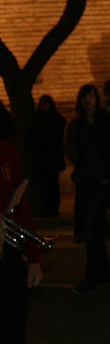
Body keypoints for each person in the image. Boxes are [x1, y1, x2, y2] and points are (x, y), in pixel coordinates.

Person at [65, 84, 110, 293]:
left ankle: (92, 275)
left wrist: (108, 175)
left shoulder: (105, 122)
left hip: (99, 181)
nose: (88, 100)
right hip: (85, 181)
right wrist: (77, 174)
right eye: (84, 96)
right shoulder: (79, 124)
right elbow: (76, 150)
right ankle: (103, 273)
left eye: (91, 96)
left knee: (90, 228)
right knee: (93, 228)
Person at [0, 139, 44, 344]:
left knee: (13, 323)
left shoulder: (7, 151)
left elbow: (22, 207)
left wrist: (34, 258)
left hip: (8, 250)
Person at [33, 94, 67, 217]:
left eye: (46, 103)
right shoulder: (37, 120)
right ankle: (46, 207)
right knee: (43, 185)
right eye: (42, 103)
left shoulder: (56, 120)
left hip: (52, 158)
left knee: (52, 184)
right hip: (42, 158)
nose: (44, 106)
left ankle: (53, 208)